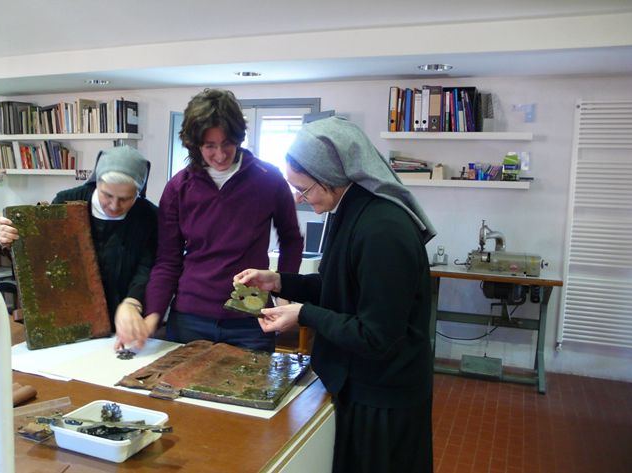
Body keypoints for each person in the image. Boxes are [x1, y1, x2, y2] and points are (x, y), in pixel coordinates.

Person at [235, 116, 437, 472]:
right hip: (360, 385)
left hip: (384, 398)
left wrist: (303, 315)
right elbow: (336, 288)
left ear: (332, 176)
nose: (298, 197)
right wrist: (278, 281)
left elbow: (376, 336)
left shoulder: (383, 231)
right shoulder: (350, 212)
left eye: (304, 188)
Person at [143, 88, 303, 352]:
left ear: (239, 138)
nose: (220, 154)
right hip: (190, 318)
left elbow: (291, 240)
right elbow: (167, 261)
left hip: (250, 319)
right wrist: (153, 315)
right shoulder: (178, 188)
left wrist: (284, 294)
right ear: (195, 144)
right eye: (209, 146)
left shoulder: (269, 179)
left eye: (227, 143)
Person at [0, 146, 158, 351]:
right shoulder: (66, 203)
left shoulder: (149, 217)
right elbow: (43, 258)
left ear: (138, 192)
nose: (115, 205)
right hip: (69, 318)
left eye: (125, 199)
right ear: (96, 182)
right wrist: (11, 241)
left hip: (124, 324)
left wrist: (133, 303)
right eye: (107, 195)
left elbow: (147, 266)